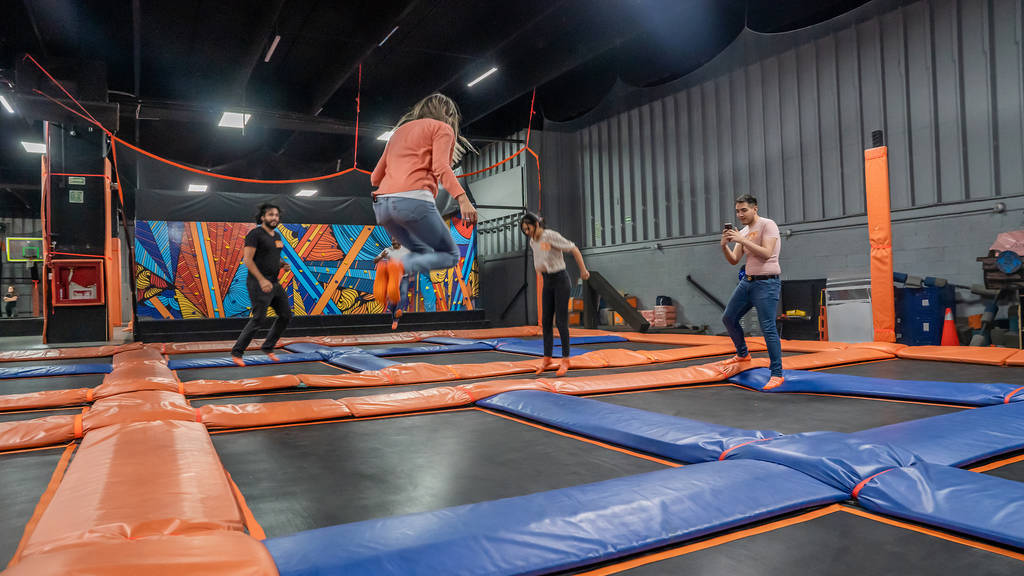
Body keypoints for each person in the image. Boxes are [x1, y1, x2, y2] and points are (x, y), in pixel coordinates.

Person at [370, 93, 478, 313]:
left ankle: (394, 272)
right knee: (449, 255)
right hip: (413, 201)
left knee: (421, 251)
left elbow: (374, 177)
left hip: (384, 207)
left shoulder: (398, 133)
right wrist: (462, 198)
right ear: (448, 114)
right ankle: (397, 266)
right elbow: (441, 167)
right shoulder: (442, 128)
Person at [720, 194, 784, 389]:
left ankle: (777, 373)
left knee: (768, 328)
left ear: (755, 208)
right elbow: (734, 260)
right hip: (747, 282)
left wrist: (741, 239)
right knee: (728, 318)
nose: (740, 214)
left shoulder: (768, 225)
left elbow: (767, 253)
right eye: (737, 211)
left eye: (744, 210)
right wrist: (724, 246)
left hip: (766, 283)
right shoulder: (745, 231)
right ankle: (742, 354)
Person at [520, 213, 590, 377]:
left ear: (536, 224)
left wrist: (583, 270)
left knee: (561, 321)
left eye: (528, 228)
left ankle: (566, 359)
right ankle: (547, 357)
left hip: (560, 279)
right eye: (524, 230)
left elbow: (573, 248)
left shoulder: (549, 235)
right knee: (545, 321)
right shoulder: (532, 241)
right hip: (548, 281)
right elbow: (540, 257)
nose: (526, 232)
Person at [231, 203, 292, 366]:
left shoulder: (276, 236)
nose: (274, 218)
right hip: (258, 282)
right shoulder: (255, 234)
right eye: (271, 215)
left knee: (286, 315)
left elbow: (272, 257)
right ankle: (237, 352)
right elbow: (248, 260)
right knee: (259, 318)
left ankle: (268, 346)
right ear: (263, 217)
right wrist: (262, 280)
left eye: (277, 215)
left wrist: (282, 264)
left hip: (274, 283)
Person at [374, 239, 411, 330]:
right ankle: (392, 309)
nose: (393, 241)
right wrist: (381, 257)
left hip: (404, 276)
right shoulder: (387, 250)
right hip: (393, 278)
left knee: (403, 294)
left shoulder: (406, 250)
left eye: (395, 240)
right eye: (392, 240)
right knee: (394, 298)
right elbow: (375, 261)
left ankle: (396, 317)